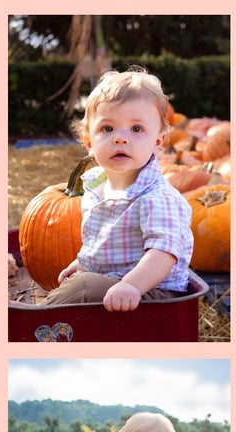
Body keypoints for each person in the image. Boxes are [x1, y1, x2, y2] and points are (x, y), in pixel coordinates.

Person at [41, 67, 193, 312]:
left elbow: (164, 253)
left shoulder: (157, 197)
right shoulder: (95, 188)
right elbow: (102, 244)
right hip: (117, 282)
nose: (120, 138)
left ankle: (39, 323)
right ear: (89, 143)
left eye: (136, 129)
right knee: (82, 282)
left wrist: (132, 285)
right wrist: (82, 264)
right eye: (108, 129)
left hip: (154, 292)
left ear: (157, 142)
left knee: (83, 288)